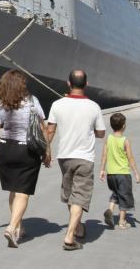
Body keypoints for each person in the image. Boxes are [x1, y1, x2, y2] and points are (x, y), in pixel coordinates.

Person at [0, 70, 50, 248]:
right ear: (22, 84)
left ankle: (19, 226)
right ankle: (11, 227)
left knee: (13, 189)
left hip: (5, 150)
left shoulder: (1, 104)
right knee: (23, 192)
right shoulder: (33, 102)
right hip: (27, 150)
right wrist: (47, 151)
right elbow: (43, 128)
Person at [46, 69, 106, 252]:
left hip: (64, 157)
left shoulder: (57, 105)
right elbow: (101, 133)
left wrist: (45, 151)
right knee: (79, 197)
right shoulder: (94, 106)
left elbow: (50, 131)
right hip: (85, 158)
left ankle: (78, 228)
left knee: (71, 195)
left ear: (68, 83)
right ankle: (70, 237)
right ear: (86, 84)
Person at [99, 113, 140, 229]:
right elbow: (130, 158)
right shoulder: (125, 140)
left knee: (116, 193)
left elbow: (104, 155)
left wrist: (102, 170)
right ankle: (122, 221)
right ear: (123, 126)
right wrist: (136, 173)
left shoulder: (108, 138)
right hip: (123, 174)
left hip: (111, 174)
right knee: (124, 196)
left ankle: (110, 209)